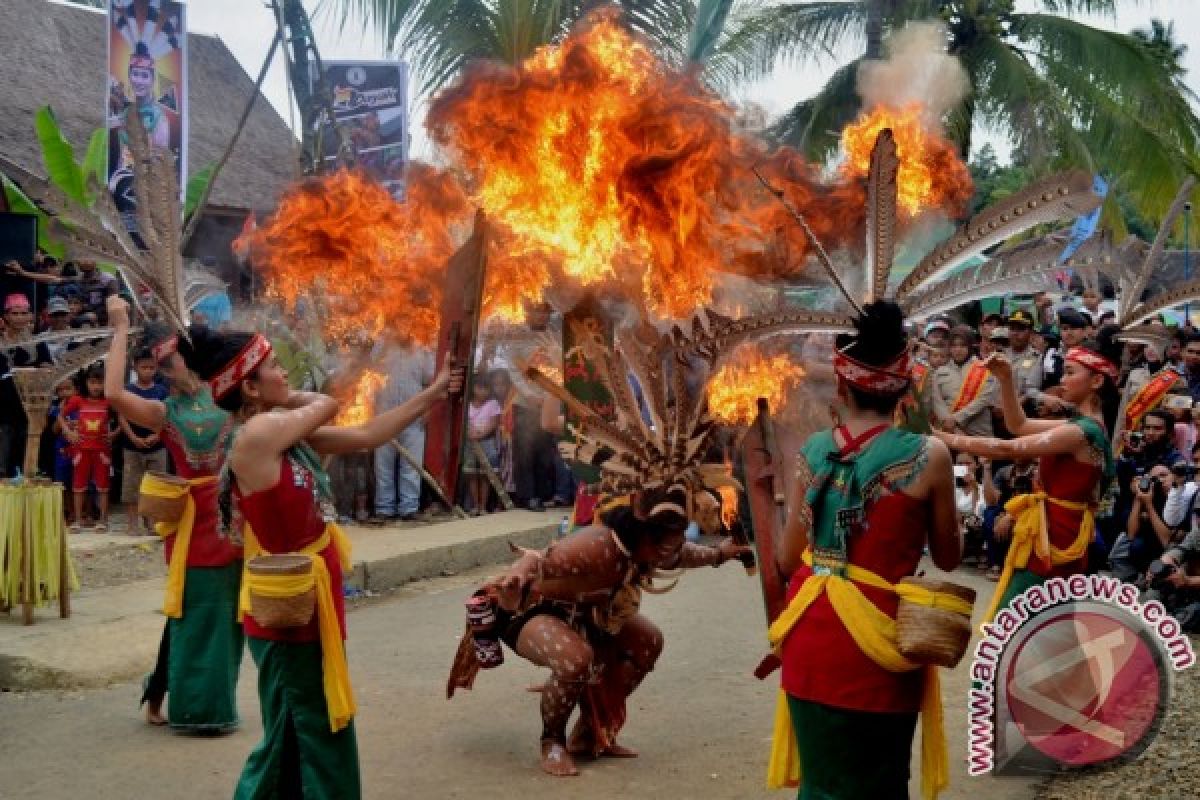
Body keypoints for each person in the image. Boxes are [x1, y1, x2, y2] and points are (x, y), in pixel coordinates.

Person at [182, 322, 460, 799]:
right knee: (307, 723)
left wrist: (432, 395)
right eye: (272, 367)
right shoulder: (258, 434)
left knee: (304, 723)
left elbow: (370, 433)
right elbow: (328, 404)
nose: (284, 371)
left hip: (311, 601)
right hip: (288, 613)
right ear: (249, 386)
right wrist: (291, 399)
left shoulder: (281, 434)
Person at [769, 301, 961, 800]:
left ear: (839, 384)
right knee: (879, 785)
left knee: (820, 785)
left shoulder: (811, 450)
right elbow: (948, 557)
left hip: (812, 636)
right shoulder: (929, 454)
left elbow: (789, 560)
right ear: (904, 389)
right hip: (885, 639)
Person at [103, 297, 242, 730]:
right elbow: (111, 393)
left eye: (170, 359)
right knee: (191, 609)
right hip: (189, 525)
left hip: (232, 518)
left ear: (187, 354)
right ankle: (192, 707)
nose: (165, 369)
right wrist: (121, 326)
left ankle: (199, 699)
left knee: (222, 613)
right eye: (157, 365)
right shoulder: (164, 413)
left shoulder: (229, 396)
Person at [937, 328, 1120, 622]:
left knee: (1027, 622)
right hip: (1052, 530)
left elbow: (1006, 447)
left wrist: (945, 438)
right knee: (1042, 624)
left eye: (1070, 372)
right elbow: (1017, 424)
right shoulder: (1080, 426)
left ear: (1097, 381)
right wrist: (1006, 379)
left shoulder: (1081, 432)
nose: (1061, 380)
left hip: (1055, 536)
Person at [371, 340, 435, 521]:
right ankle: (384, 508)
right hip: (385, 415)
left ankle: (409, 507)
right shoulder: (382, 343)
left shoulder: (423, 347)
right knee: (383, 464)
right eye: (400, 321)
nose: (404, 325)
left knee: (412, 463)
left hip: (413, 415)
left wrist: (428, 408)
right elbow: (372, 371)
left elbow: (430, 381)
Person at [1, 292, 54, 476]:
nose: (19, 318)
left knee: (29, 463)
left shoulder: (37, 342)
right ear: (6, 315)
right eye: (14, 313)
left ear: (30, 316)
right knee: (3, 461)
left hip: (30, 409)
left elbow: (48, 371)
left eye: (24, 313)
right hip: (3, 411)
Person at [118, 348, 169, 534]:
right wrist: (133, 436)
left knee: (156, 485)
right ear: (135, 367)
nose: (148, 371)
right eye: (144, 367)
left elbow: (167, 416)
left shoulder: (162, 391)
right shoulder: (128, 391)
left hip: (158, 445)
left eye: (151, 367)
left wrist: (158, 434)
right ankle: (132, 524)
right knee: (132, 484)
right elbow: (122, 416)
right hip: (132, 445)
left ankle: (152, 523)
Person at [62, 364, 117, 531]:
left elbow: (124, 417)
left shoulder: (110, 401)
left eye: (100, 383)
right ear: (86, 382)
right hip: (81, 450)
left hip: (102, 451)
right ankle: (78, 520)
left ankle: (103, 520)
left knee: (103, 486)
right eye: (92, 382)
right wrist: (68, 431)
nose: (96, 387)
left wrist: (115, 433)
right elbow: (60, 415)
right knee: (79, 486)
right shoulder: (77, 400)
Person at [1110, 464, 1173, 583]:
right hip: (1147, 546)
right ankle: (1141, 576)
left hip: (1168, 548)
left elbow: (1167, 541)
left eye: (1164, 475)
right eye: (1154, 478)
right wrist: (1139, 497)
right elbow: (1131, 534)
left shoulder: (1179, 497)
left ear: (1173, 476)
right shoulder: (1148, 495)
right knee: (1134, 544)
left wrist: (1149, 506)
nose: (1160, 480)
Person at [931, 326, 998, 436]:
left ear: (970, 346)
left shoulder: (984, 368)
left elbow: (984, 399)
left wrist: (956, 419)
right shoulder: (939, 372)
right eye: (954, 345)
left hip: (979, 431)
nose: (958, 349)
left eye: (963, 345)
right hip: (949, 431)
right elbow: (937, 401)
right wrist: (947, 421)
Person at [463, 376, 502, 515]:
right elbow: (463, 423)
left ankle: (484, 506)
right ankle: (475, 505)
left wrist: (481, 434)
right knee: (472, 474)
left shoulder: (493, 403)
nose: (483, 391)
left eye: (486, 388)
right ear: (473, 389)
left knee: (486, 475)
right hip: (469, 442)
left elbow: (494, 423)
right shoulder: (466, 405)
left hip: (487, 441)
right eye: (479, 387)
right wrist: (470, 433)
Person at [1005, 309, 1043, 397]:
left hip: (1018, 407)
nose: (1015, 333)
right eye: (1012, 329)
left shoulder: (1036, 358)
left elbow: (1031, 390)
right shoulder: (999, 355)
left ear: (1031, 333)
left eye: (1021, 329)